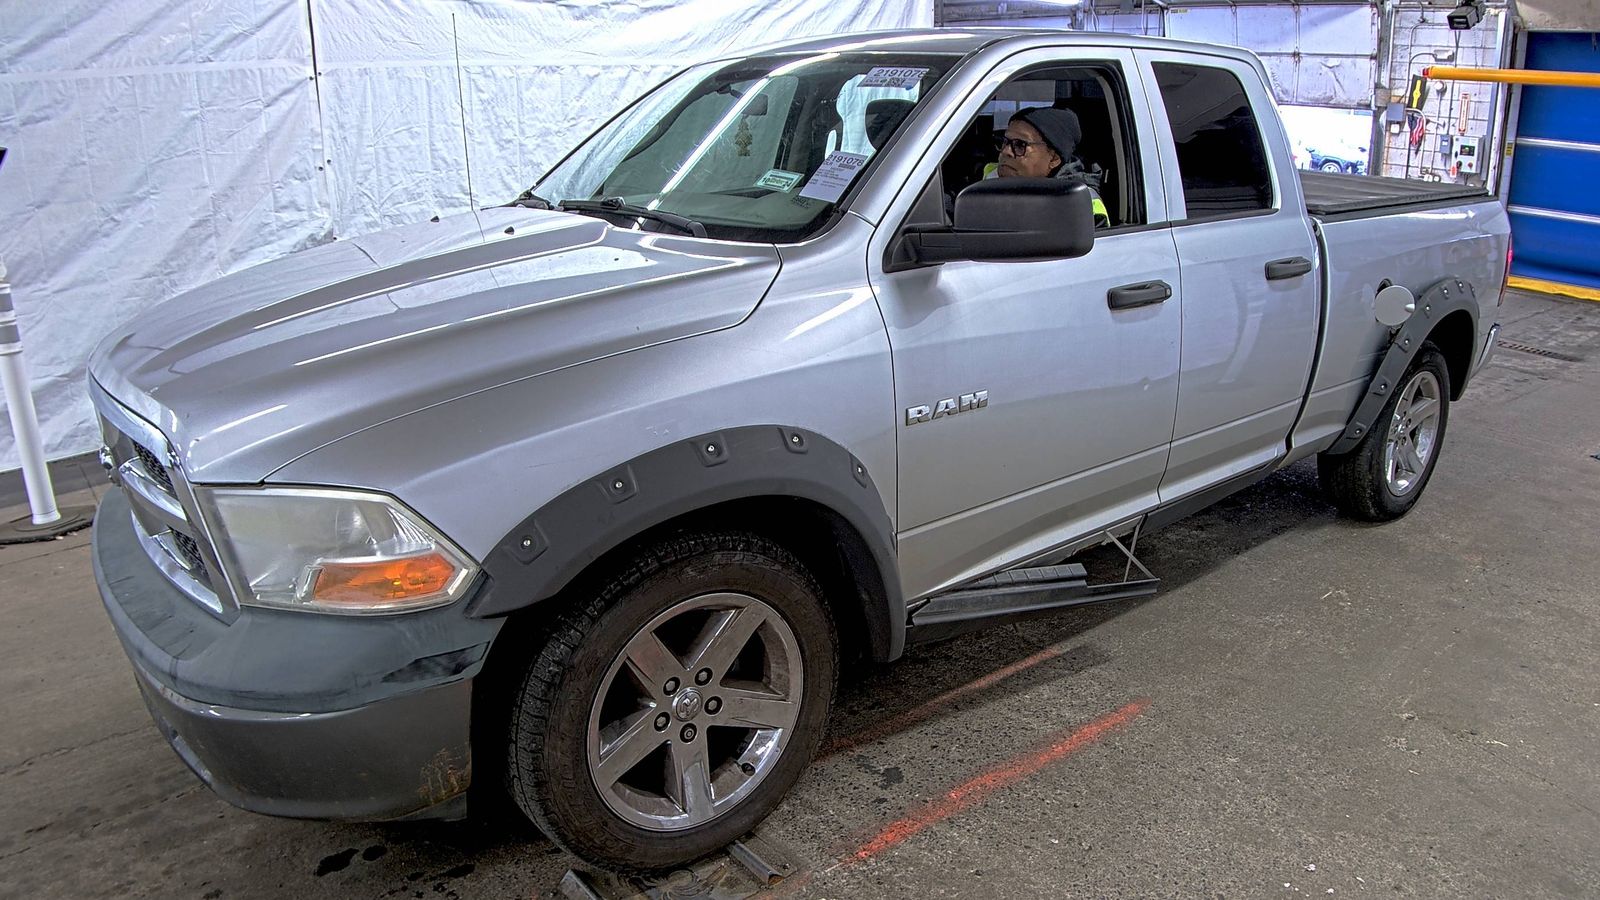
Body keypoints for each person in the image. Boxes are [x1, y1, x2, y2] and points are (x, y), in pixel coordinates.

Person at [991, 107, 1110, 227]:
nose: (1006, 151)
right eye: (1005, 141)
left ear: (1054, 159)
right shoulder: (990, 173)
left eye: (1020, 145)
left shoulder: (1080, 206)